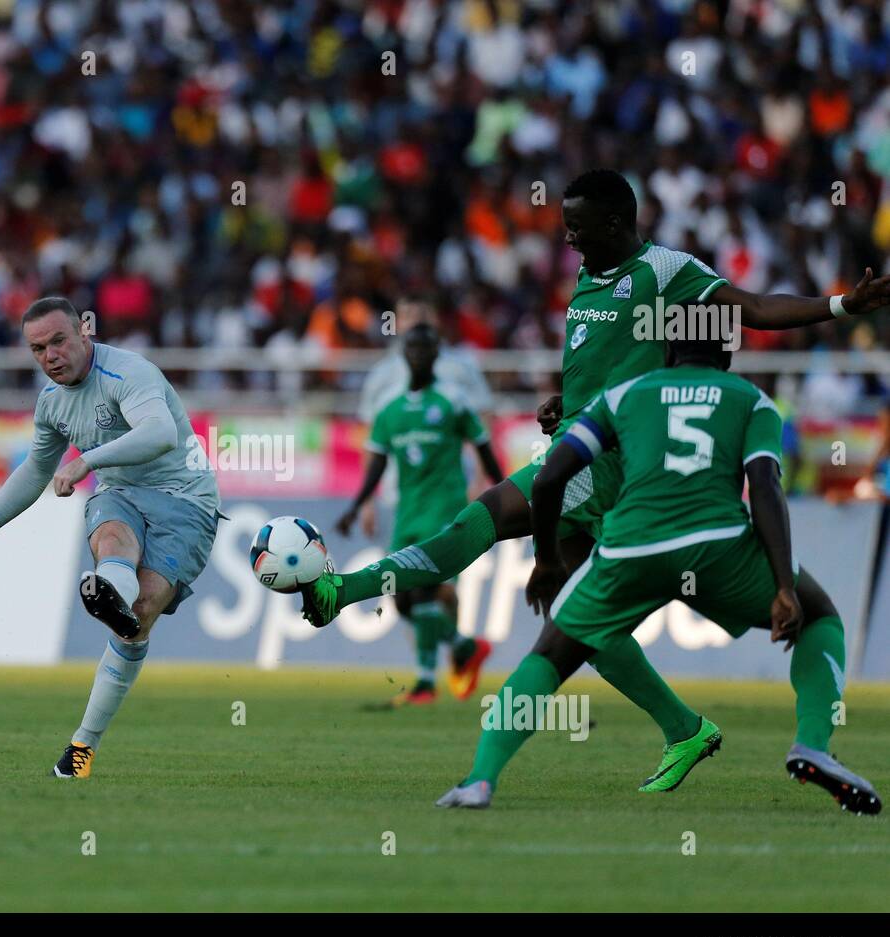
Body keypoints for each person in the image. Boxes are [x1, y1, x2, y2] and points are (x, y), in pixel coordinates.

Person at [302, 168, 890, 779]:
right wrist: (566, 401)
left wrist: (843, 303)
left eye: (577, 228)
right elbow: (601, 364)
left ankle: (342, 591)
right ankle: (684, 730)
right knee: (571, 614)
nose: (568, 241)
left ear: (614, 222)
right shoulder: (588, 275)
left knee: (474, 526)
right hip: (580, 442)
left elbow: (755, 309)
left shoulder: (664, 270)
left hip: (607, 464)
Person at [436, 336, 880, 814]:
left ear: (669, 352)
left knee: (550, 654)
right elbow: (766, 487)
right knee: (820, 619)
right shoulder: (752, 401)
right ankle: (811, 744)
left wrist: (547, 559)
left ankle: (479, 782)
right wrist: (784, 587)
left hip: (632, 546)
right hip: (718, 547)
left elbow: (548, 479)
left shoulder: (625, 395)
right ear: (726, 356)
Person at [0, 297, 221, 778]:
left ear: (84, 332)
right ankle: (109, 592)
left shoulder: (127, 373)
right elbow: (36, 469)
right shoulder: (51, 404)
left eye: (58, 340)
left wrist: (86, 461)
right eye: (38, 349)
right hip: (120, 493)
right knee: (113, 538)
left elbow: (159, 433)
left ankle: (85, 735)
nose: (50, 355)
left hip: (185, 499)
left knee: (139, 618)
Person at [337, 324, 502, 704]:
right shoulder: (390, 409)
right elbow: (376, 464)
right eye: (412, 348)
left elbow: (483, 447)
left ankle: (426, 683)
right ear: (403, 353)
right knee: (401, 596)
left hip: (445, 509)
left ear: (436, 354)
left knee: (426, 587)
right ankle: (464, 647)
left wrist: (508, 492)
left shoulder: (453, 400)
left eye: (425, 349)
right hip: (407, 512)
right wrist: (356, 504)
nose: (418, 355)